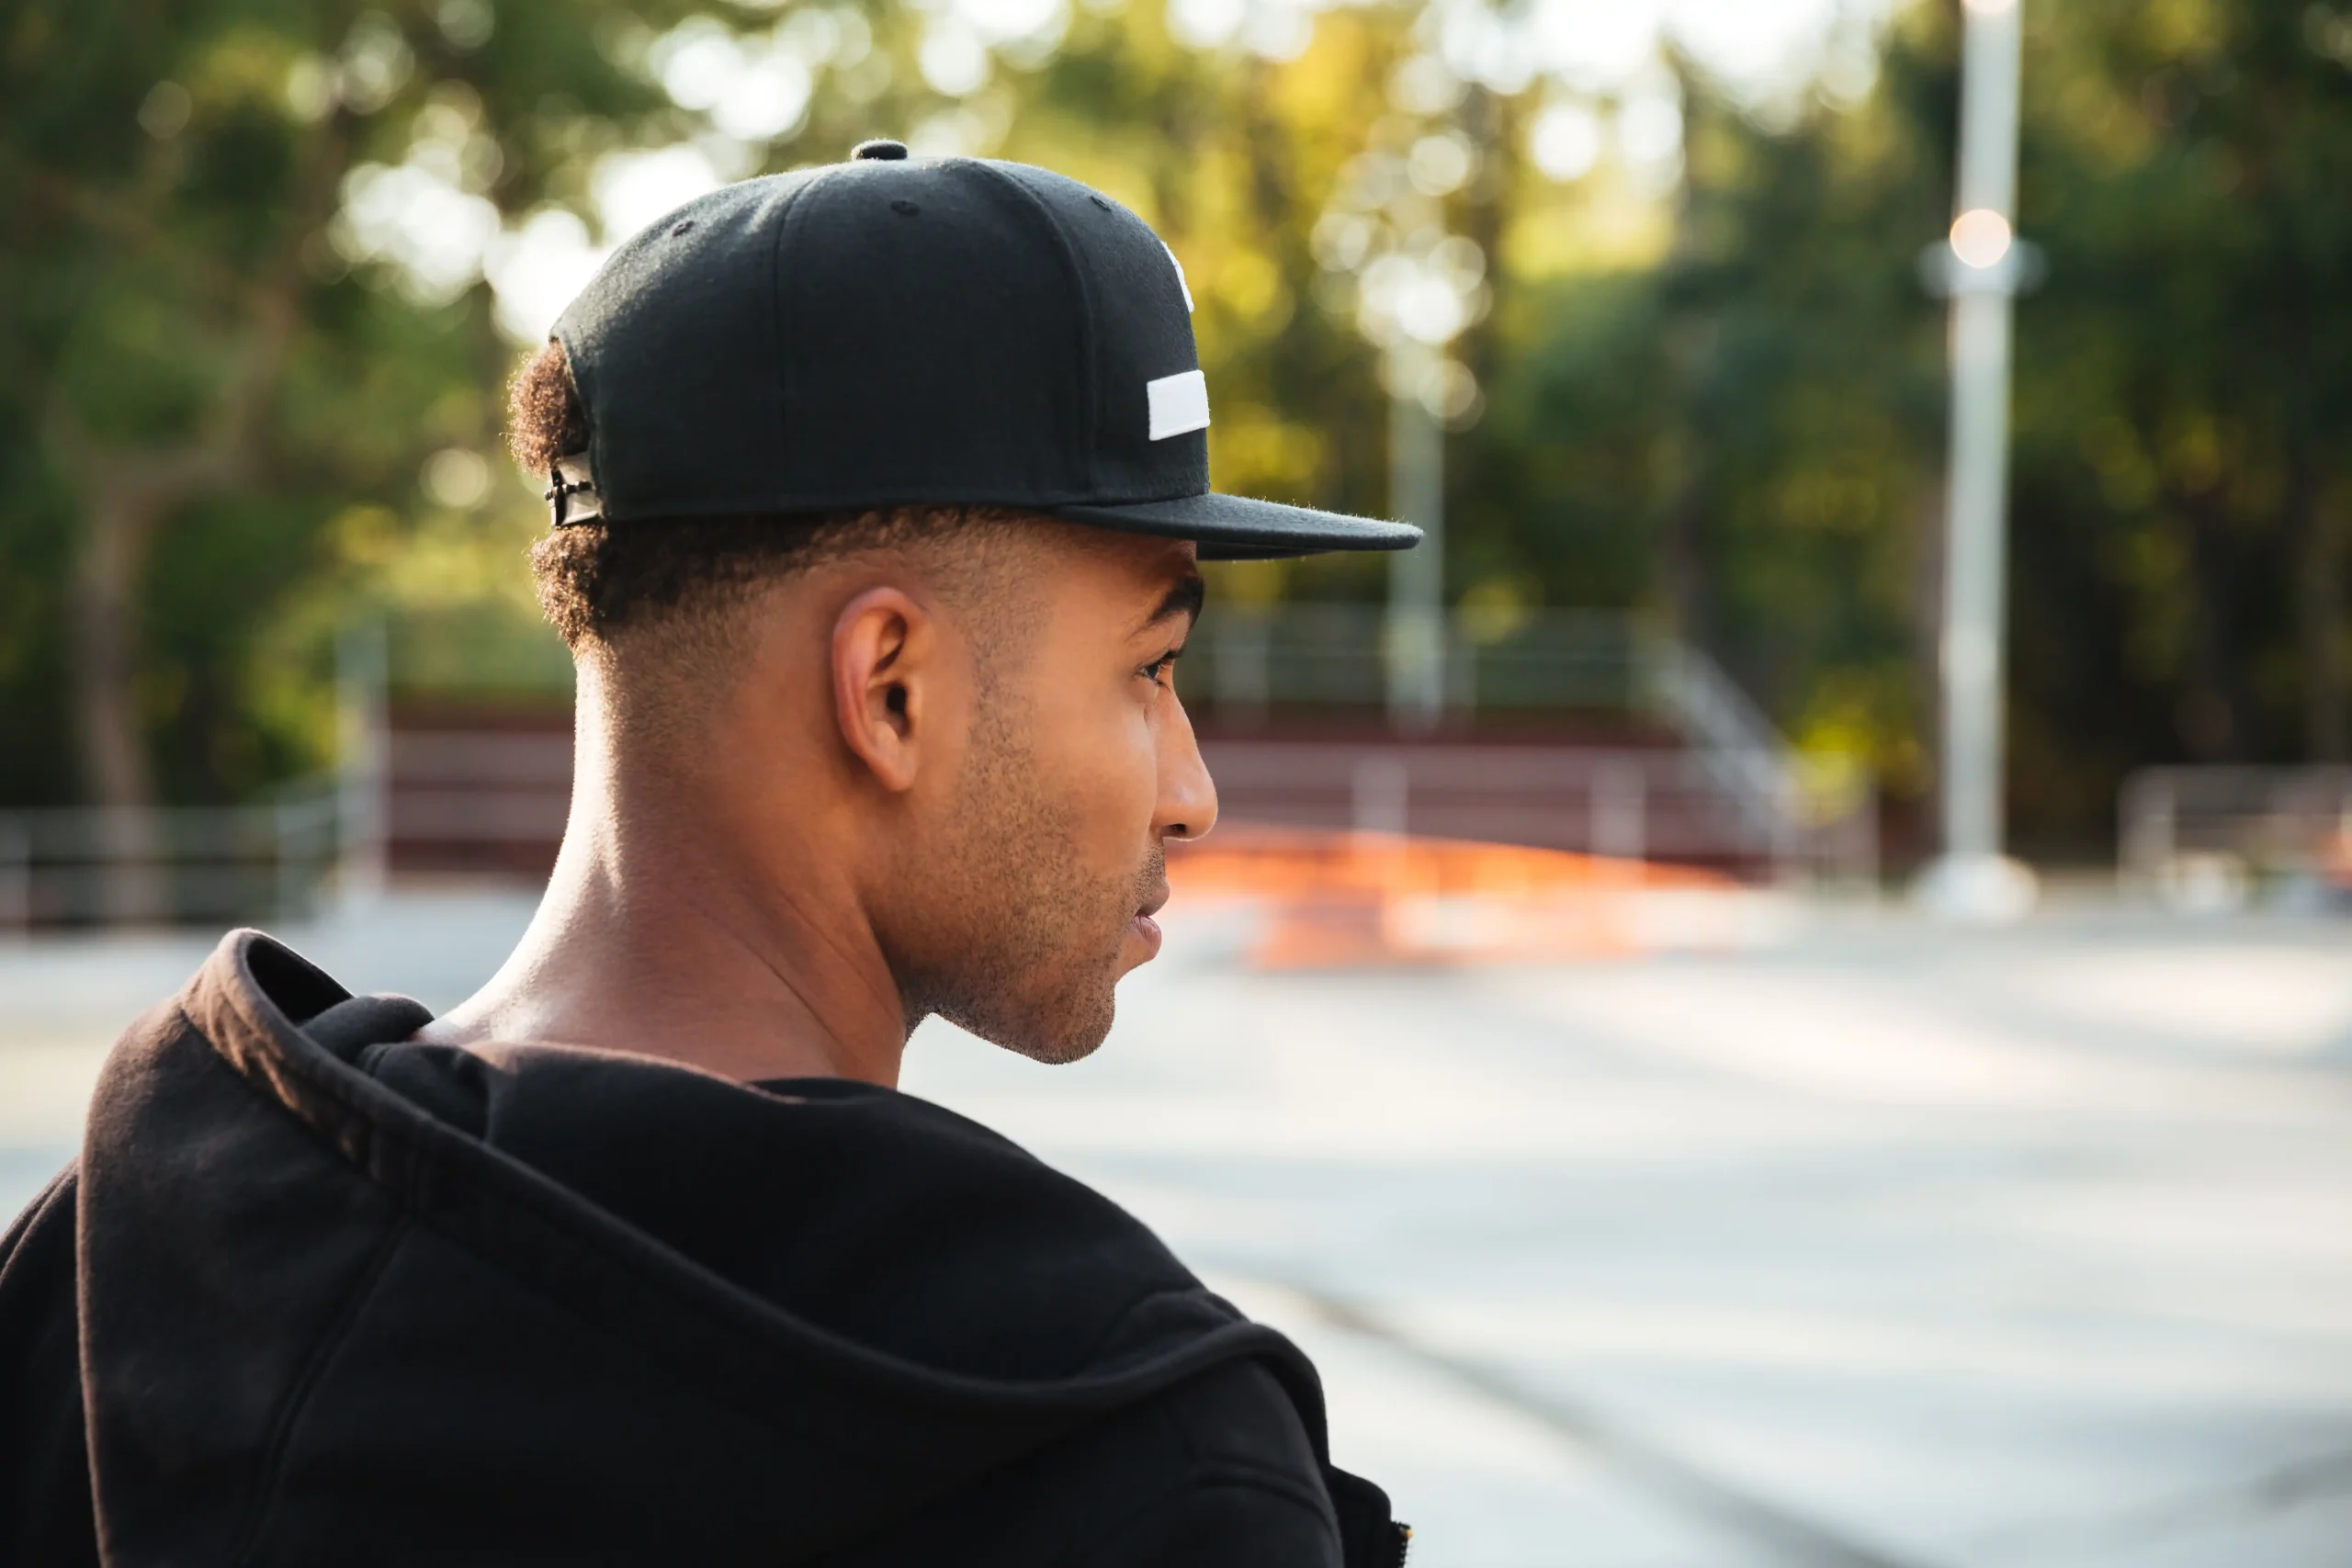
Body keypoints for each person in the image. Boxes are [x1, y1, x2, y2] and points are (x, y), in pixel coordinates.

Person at [0, 141, 1420, 1563]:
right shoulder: (1112, 1462)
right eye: (1151, 668)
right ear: (891, 690)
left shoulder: (98, 1278)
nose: (1194, 792)